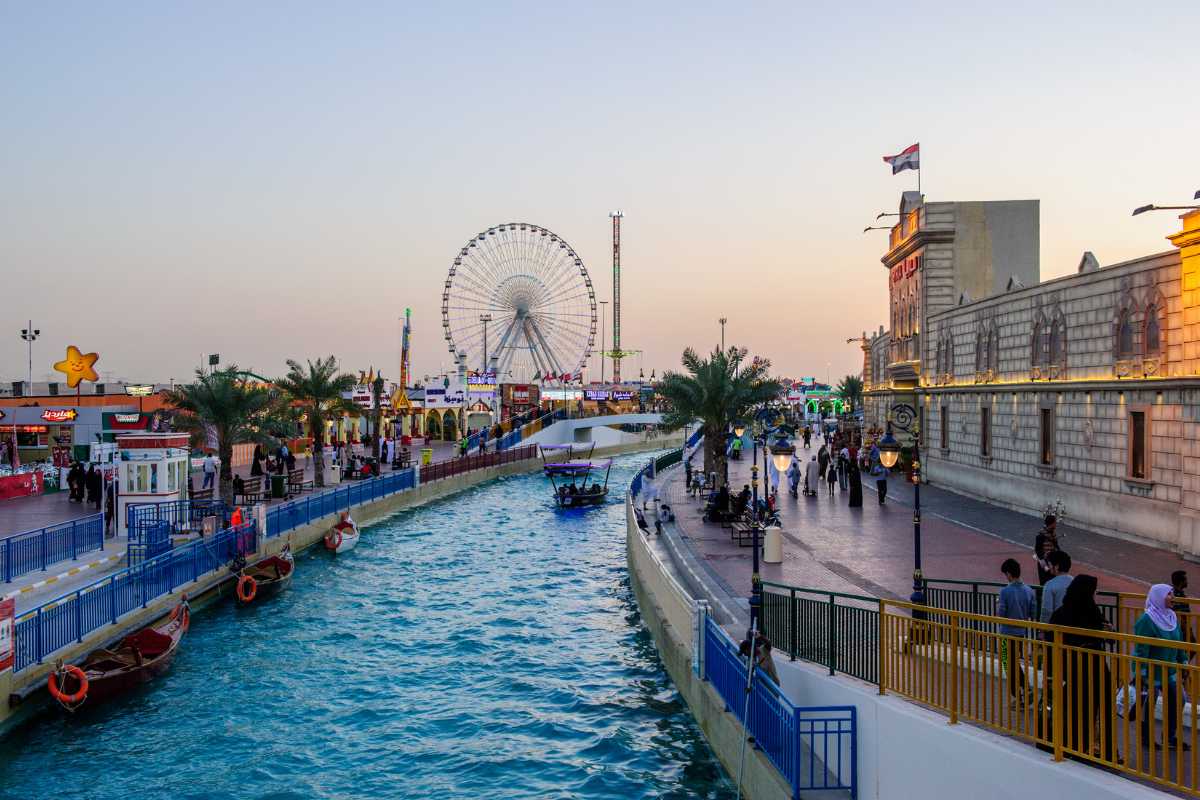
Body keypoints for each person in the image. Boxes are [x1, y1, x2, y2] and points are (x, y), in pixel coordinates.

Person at [1049, 575, 1116, 761]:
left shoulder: (1064, 612)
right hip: (1093, 666)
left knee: (1079, 706)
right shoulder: (1092, 611)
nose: (1096, 593)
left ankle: (1079, 745)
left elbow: (1048, 635)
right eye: (1094, 589)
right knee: (1095, 706)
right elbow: (1110, 638)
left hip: (1075, 667)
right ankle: (1101, 749)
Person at [1133, 584, 1191, 750]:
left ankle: (1169, 736)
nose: (1173, 597)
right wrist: (1141, 673)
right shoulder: (1146, 620)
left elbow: (1178, 643)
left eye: (1173, 593)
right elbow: (1141, 649)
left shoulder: (1172, 617)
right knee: (1148, 704)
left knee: (1179, 699)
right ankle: (1146, 737)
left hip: (1169, 670)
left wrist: (1184, 662)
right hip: (1151, 671)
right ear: (1158, 596)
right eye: (1169, 594)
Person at [997, 558, 1035, 706]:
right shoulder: (1029, 591)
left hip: (1007, 632)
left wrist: (998, 603)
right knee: (1015, 662)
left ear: (1008, 574)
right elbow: (1033, 612)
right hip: (1021, 633)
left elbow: (1001, 614)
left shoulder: (1005, 591)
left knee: (1008, 663)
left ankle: (1019, 695)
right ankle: (1026, 689)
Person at [1038, 550, 1074, 624]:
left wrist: (1042, 629)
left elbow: (1047, 611)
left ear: (1056, 566)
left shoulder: (1050, 585)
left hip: (1056, 628)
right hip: (1073, 627)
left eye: (1050, 564)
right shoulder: (1075, 581)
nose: (1049, 567)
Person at [1034, 514, 1059, 586]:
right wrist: (1044, 558)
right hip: (1044, 563)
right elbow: (1037, 550)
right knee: (1044, 582)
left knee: (1053, 581)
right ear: (1051, 524)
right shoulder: (1041, 535)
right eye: (1055, 522)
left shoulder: (1053, 534)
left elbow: (1056, 545)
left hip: (1053, 561)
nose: (1056, 524)